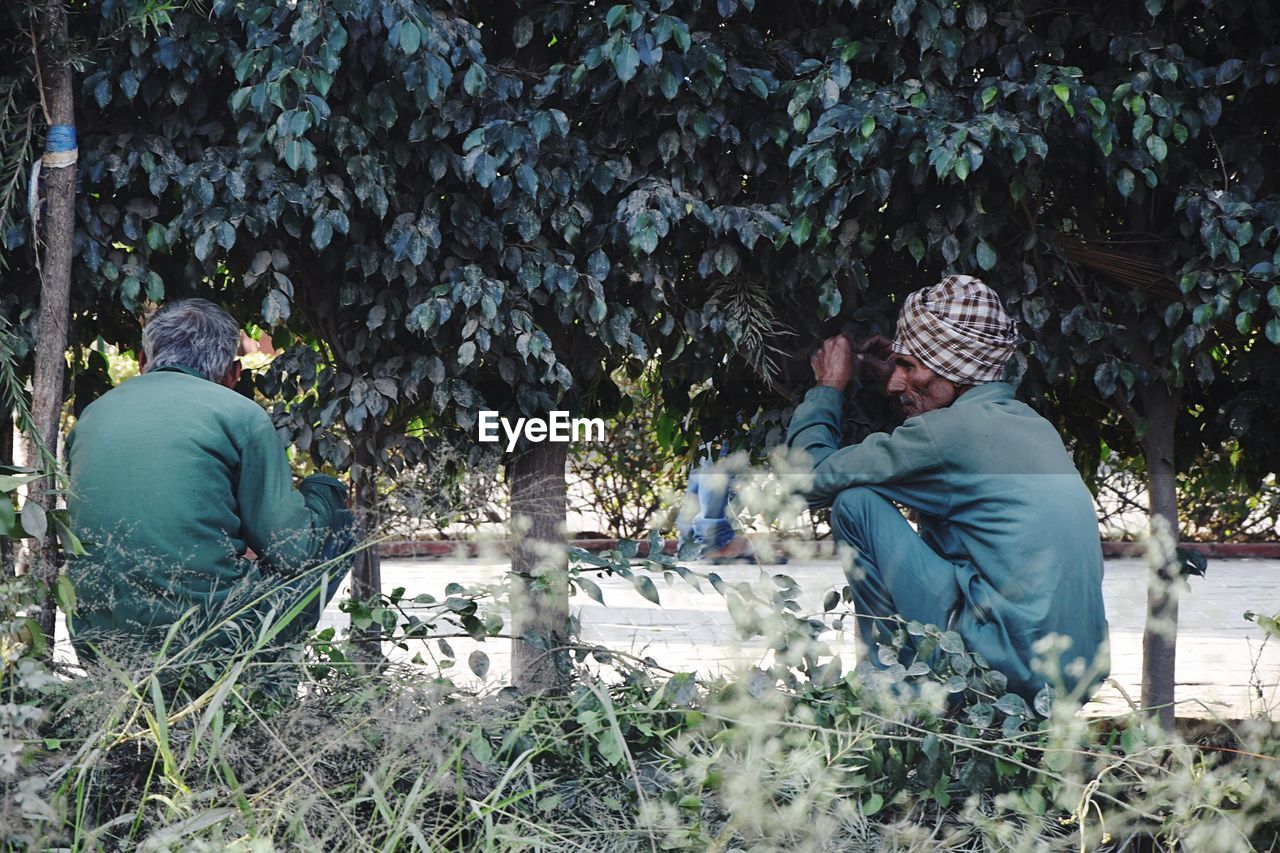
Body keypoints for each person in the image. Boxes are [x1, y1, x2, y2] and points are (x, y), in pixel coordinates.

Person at [787, 275, 1109, 700]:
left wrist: (827, 388)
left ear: (954, 374)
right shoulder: (1033, 425)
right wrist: (912, 372)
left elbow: (806, 481)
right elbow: (937, 429)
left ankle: (886, 693)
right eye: (897, 365)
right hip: (1076, 672)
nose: (893, 384)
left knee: (855, 503)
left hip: (1007, 664)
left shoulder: (949, 434)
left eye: (909, 367)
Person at [65, 299, 355, 686]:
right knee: (331, 506)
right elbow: (293, 551)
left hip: (100, 645)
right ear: (234, 373)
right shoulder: (240, 414)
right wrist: (324, 491)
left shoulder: (92, 416)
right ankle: (263, 696)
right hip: (206, 644)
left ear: (141, 360)